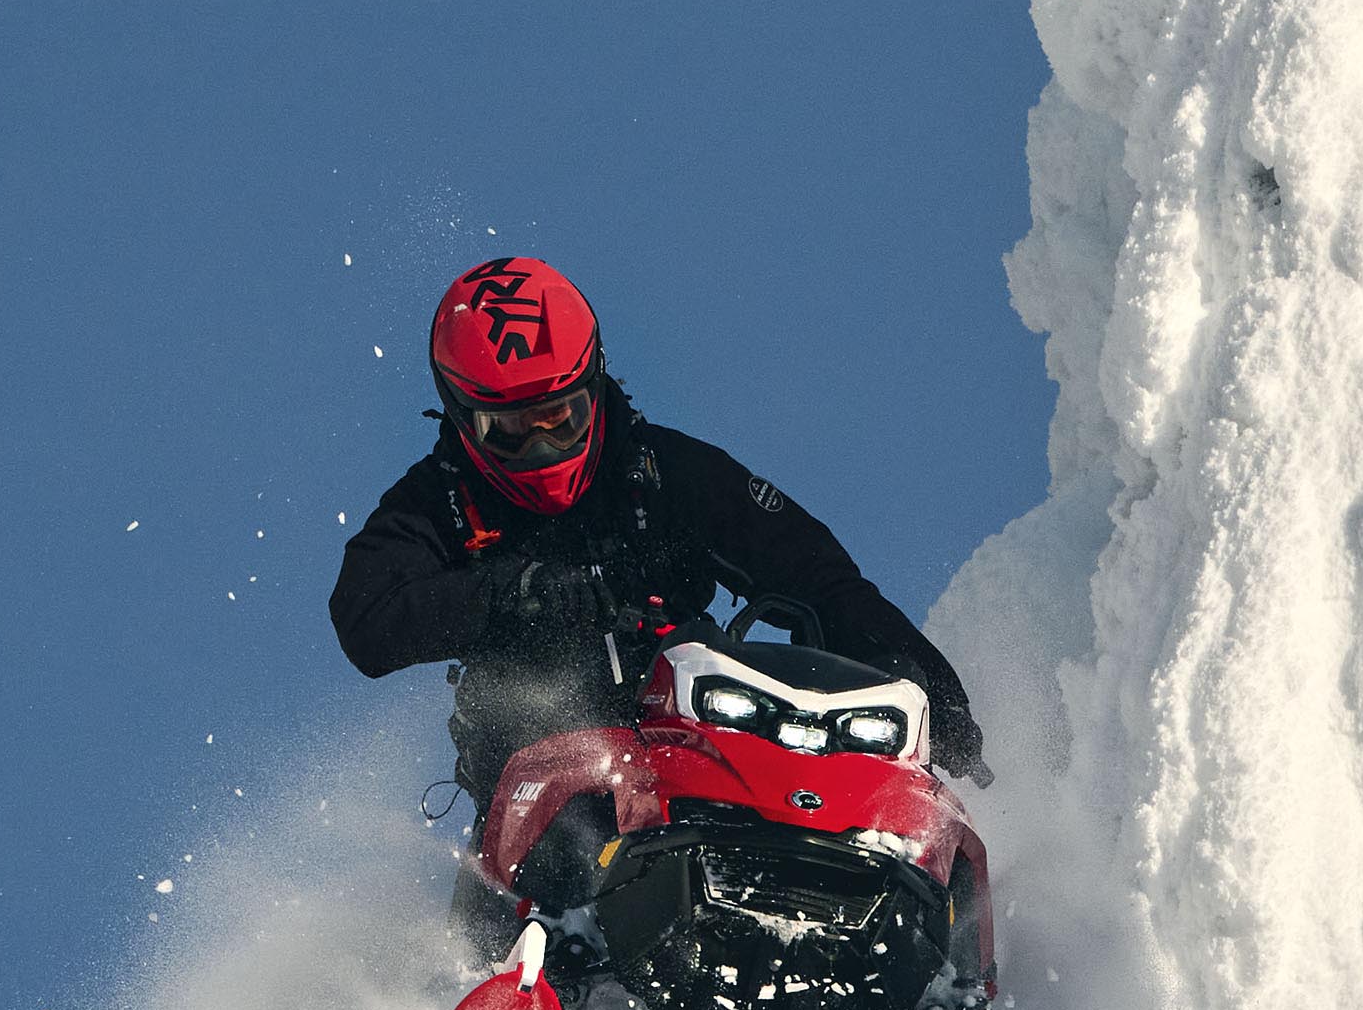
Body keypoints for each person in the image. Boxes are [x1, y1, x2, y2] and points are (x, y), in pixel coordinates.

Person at [331, 257, 984, 941]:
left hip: (700, 761)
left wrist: (931, 684)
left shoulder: (671, 474)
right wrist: (516, 596)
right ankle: (484, 995)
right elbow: (365, 619)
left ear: (595, 381)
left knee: (848, 780)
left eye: (560, 415)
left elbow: (820, 579)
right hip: (535, 800)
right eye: (511, 431)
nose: (542, 445)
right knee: (485, 921)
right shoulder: (435, 504)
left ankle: (924, 946)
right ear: (466, 421)